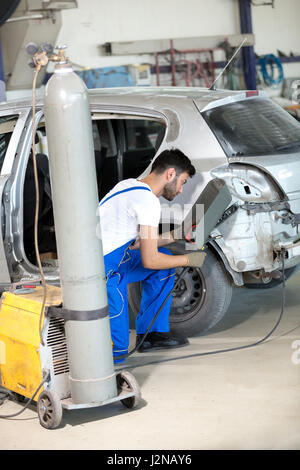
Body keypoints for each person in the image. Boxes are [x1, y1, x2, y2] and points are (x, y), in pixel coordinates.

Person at [98, 148, 205, 362]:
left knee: (164, 263)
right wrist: (189, 260)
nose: (181, 190)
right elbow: (150, 259)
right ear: (170, 174)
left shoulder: (129, 186)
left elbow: (136, 242)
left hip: (111, 257)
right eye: (183, 182)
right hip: (102, 272)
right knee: (116, 353)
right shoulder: (148, 201)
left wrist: (175, 236)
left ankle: (150, 335)